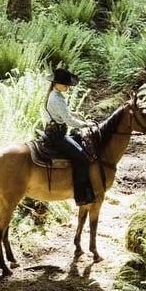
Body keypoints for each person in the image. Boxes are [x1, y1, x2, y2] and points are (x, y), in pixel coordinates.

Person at [42, 67, 96, 206]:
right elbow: (69, 122)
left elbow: (60, 112)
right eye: (64, 84)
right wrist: (86, 124)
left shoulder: (53, 95)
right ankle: (80, 196)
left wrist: (73, 112)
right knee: (82, 158)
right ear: (56, 83)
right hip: (57, 135)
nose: (67, 86)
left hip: (53, 131)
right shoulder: (58, 98)